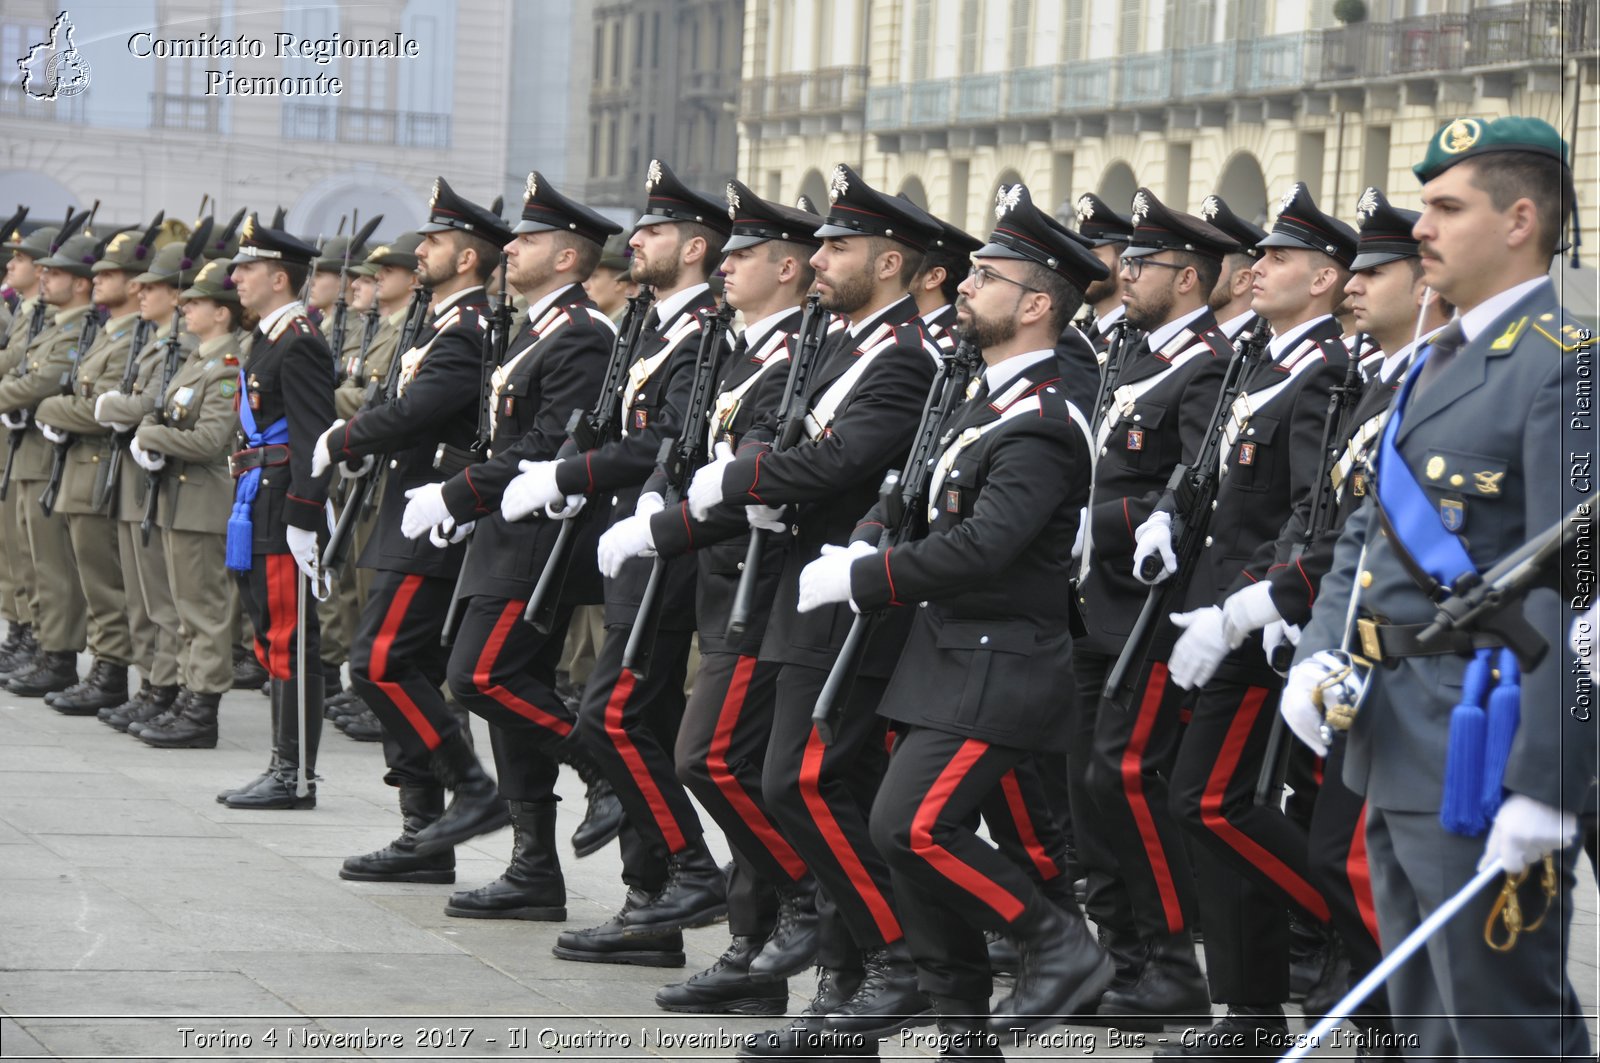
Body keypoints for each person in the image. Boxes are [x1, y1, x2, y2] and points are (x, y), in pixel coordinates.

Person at [1283, 115, 1594, 1060]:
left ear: (1519, 220)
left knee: (1504, 1025)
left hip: (1488, 751)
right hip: (1393, 734)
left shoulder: (1566, 364)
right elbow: (1370, 541)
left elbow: (1586, 604)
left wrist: (1547, 787)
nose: (1422, 226)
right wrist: (1316, 653)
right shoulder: (1433, 354)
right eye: (1424, 205)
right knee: (1430, 1023)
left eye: (1446, 206)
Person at [824, 179, 1113, 1047]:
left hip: (1002, 663)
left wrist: (866, 578)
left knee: (915, 825)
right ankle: (961, 1022)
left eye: (983, 276)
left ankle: (1059, 944)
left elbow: (984, 547)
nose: (962, 287)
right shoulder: (982, 398)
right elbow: (914, 498)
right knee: (898, 833)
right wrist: (872, 534)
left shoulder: (1043, 420)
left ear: (1033, 304)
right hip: (947, 660)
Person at [685, 162, 943, 1054]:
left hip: (848, 601)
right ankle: (848, 981)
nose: (820, 257)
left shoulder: (906, 358)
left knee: (806, 781)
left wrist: (746, 476)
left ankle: (893, 959)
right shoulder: (839, 342)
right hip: (797, 589)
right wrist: (755, 473)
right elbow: (788, 432)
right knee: (797, 782)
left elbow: (846, 462)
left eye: (839, 245)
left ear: (891, 261)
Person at [486, 159, 733, 964]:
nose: (638, 239)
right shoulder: (654, 327)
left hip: (665, 548)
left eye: (656, 230)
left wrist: (570, 474)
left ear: (694, 247)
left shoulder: (702, 334)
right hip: (628, 546)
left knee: (618, 719)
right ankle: (648, 905)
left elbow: (663, 443)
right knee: (638, 722)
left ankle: (690, 872)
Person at [600, 180, 822, 1014]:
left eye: (743, 255)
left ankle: (808, 904)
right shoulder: (738, 344)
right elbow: (689, 439)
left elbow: (762, 454)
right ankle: (750, 949)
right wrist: (662, 491)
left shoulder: (798, 350)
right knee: (728, 764)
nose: (724, 265)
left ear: (788, 268)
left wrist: (675, 515)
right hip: (723, 579)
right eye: (723, 253)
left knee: (716, 760)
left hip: (767, 588)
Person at [1143, 183, 1353, 1055]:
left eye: (1276, 258)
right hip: (1214, 610)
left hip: (1260, 621)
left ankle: (1353, 929)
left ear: (1324, 279)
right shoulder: (1261, 360)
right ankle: (1251, 1010)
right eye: (1257, 255)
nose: (1255, 268)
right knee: (1201, 806)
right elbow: (1205, 468)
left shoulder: (1324, 372)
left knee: (1215, 802)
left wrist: (1274, 596)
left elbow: (1309, 507)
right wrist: (1161, 509)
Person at [396, 171, 623, 917]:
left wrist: (460, 491)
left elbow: (546, 443)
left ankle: (606, 770)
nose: (511, 249)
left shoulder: (584, 334)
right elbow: (505, 438)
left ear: (567, 257)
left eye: (527, 240)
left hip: (540, 539)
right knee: (501, 700)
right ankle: (533, 867)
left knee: (480, 678)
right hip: (501, 532)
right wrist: (461, 498)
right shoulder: (537, 327)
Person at [1068, 189, 1239, 1030]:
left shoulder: (1208, 363)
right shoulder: (1131, 354)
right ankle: (1122, 953)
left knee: (1124, 776)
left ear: (1190, 277)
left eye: (1141, 265)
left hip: (1150, 610)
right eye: (1124, 262)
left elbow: (1195, 501)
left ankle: (1171, 959)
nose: (1123, 275)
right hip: (1093, 604)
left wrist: (1092, 523)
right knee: (1087, 783)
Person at [314, 178, 512, 880]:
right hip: (406, 511)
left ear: (466, 258)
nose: (420, 249)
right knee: (410, 665)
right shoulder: (438, 323)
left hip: (432, 518)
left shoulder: (466, 330)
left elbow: (413, 413)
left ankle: (472, 783)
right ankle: (424, 836)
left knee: (379, 661)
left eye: (432, 241)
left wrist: (342, 438)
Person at [218, 214, 336, 810]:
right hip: (256, 499)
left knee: (290, 638)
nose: (236, 276)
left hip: (283, 502)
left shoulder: (301, 342)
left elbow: (317, 439)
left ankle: (295, 775)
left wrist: (303, 516)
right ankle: (279, 764)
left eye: (249, 267)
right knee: (268, 635)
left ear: (280, 278)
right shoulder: (268, 336)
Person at [35, 225, 157, 715]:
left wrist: (48, 408)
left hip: (99, 465)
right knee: (86, 574)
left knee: (105, 581)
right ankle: (103, 666)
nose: (99, 278)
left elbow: (94, 409)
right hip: (80, 466)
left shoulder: (135, 339)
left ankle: (110, 671)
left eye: (111, 272)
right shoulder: (107, 332)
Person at [129, 258, 249, 747]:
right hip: (180, 499)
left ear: (222, 313)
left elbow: (211, 439)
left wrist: (153, 435)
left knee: (203, 611)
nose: (186, 308)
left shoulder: (225, 367)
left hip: (203, 503)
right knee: (183, 610)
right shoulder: (197, 361)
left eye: (196, 303)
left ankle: (203, 708)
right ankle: (186, 696)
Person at [96, 240, 198, 735]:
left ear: (177, 295)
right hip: (134, 477)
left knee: (160, 598)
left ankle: (165, 686)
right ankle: (149, 684)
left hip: (158, 481)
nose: (139, 292)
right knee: (139, 597)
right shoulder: (157, 340)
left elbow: (146, 407)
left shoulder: (183, 347)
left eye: (152, 286)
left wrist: (108, 406)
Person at [0, 230, 97, 696]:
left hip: (46, 456)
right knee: (25, 557)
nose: (44, 276)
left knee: (50, 564)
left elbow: (36, 385)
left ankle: (56, 654)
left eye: (55, 272)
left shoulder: (77, 330)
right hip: (27, 451)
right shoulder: (55, 324)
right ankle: (35, 640)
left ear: (81, 282)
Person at [1199, 195, 1267, 342]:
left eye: (1211, 263)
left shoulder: (1258, 347)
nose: (1198, 271)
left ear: (1241, 281)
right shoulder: (1198, 338)